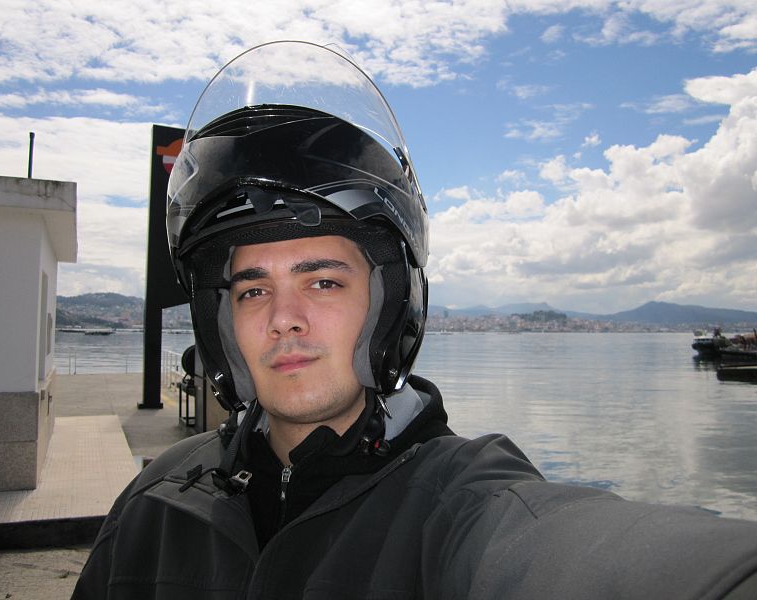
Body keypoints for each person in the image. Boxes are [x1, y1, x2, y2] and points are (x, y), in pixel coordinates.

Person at [72, 41, 757, 599]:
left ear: (390, 303)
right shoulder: (157, 502)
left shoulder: (456, 500)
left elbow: (566, 550)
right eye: (252, 291)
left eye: (322, 281)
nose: (284, 319)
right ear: (218, 319)